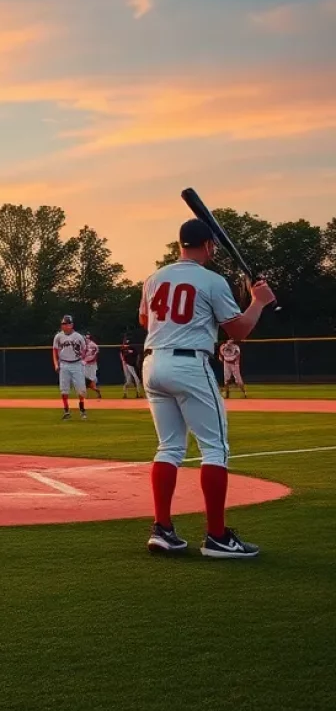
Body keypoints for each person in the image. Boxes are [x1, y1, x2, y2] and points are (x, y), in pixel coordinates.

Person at [141, 218, 275, 559]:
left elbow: (145, 320)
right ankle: (216, 536)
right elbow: (239, 330)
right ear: (210, 245)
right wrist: (257, 301)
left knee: (169, 448)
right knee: (215, 449)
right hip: (189, 364)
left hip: (153, 363)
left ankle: (163, 529)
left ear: (179, 244)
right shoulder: (212, 280)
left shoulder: (155, 277)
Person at [52, 315, 87, 420]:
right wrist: (56, 364)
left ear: (71, 325)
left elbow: (84, 349)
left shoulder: (78, 336)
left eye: (67, 324)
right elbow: (54, 351)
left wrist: (83, 361)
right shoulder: (58, 336)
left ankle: (82, 408)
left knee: (81, 390)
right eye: (63, 324)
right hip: (64, 364)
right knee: (64, 390)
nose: (65, 326)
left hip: (76, 363)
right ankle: (66, 411)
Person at [82, 333, 103, 399]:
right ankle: (86, 395)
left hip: (91, 366)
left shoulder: (94, 345)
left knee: (91, 381)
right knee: (84, 380)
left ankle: (97, 391)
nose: (86, 339)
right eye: (86, 338)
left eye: (87, 338)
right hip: (85, 365)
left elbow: (94, 357)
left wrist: (86, 361)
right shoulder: (85, 345)